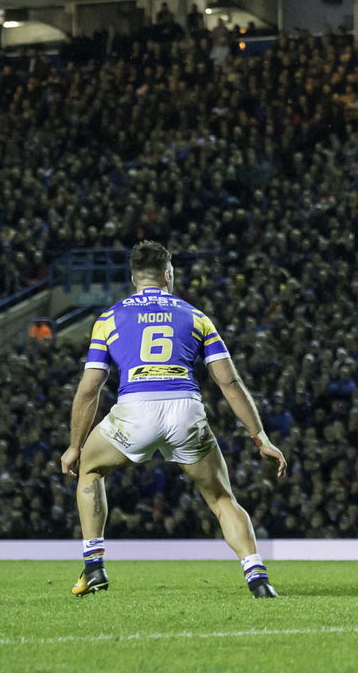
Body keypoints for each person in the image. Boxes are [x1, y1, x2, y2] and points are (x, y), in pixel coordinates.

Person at [60, 241, 288, 598]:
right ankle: (257, 578)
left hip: (135, 408)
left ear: (134, 278)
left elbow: (90, 389)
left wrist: (75, 445)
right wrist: (261, 437)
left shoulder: (109, 319)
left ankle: (94, 567)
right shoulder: (196, 317)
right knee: (221, 498)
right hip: (185, 409)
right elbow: (229, 382)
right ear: (168, 274)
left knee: (90, 469)